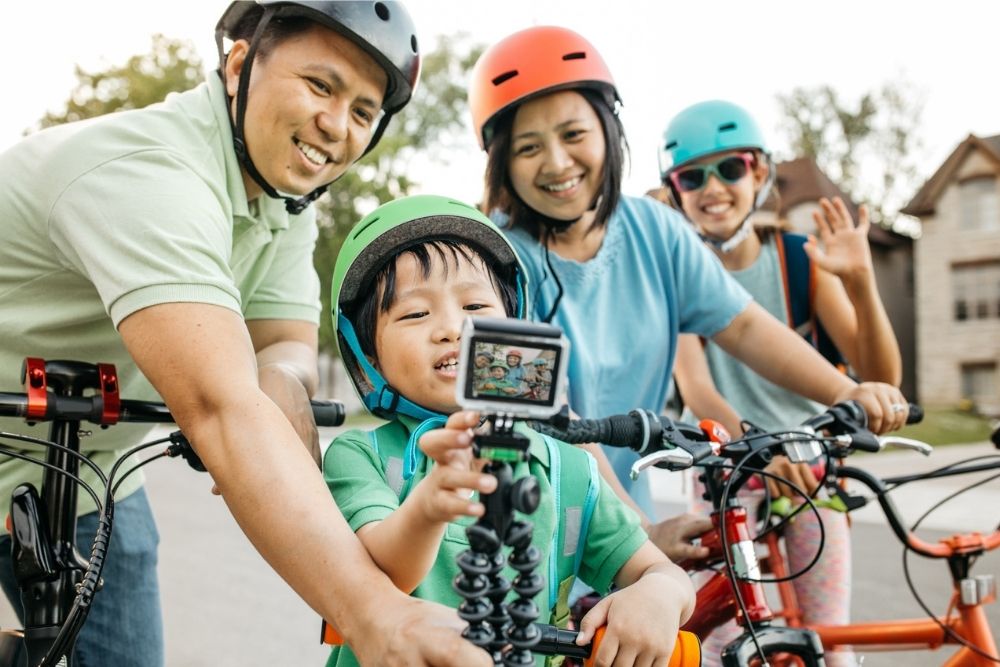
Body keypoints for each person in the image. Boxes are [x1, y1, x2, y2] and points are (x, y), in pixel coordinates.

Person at [0, 3, 488, 666]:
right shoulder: (154, 174)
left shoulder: (285, 201)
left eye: (364, 112)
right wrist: (378, 614)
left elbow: (283, 342)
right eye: (321, 86)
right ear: (238, 65)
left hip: (90, 468)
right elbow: (221, 410)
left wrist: (280, 383)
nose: (336, 126)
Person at [467, 25, 910, 558]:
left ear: (609, 131)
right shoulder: (489, 258)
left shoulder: (657, 229)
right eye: (528, 147)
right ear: (501, 162)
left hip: (625, 521)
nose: (558, 162)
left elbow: (742, 325)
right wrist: (637, 534)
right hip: (525, 536)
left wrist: (843, 393)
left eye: (574, 134)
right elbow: (551, 424)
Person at [325, 194, 695, 667]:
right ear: (368, 356)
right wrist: (431, 505)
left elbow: (659, 569)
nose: (452, 328)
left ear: (516, 325)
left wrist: (660, 594)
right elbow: (383, 577)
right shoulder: (360, 457)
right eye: (416, 313)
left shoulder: (569, 470)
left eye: (476, 305)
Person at [660, 99, 903, 666]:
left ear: (760, 173)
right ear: (676, 192)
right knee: (723, 640)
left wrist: (862, 281)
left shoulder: (798, 259)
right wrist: (757, 452)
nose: (712, 187)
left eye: (731, 168)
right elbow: (697, 388)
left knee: (826, 640)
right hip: (726, 467)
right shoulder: (678, 273)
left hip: (813, 468)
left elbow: (881, 383)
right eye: (691, 177)